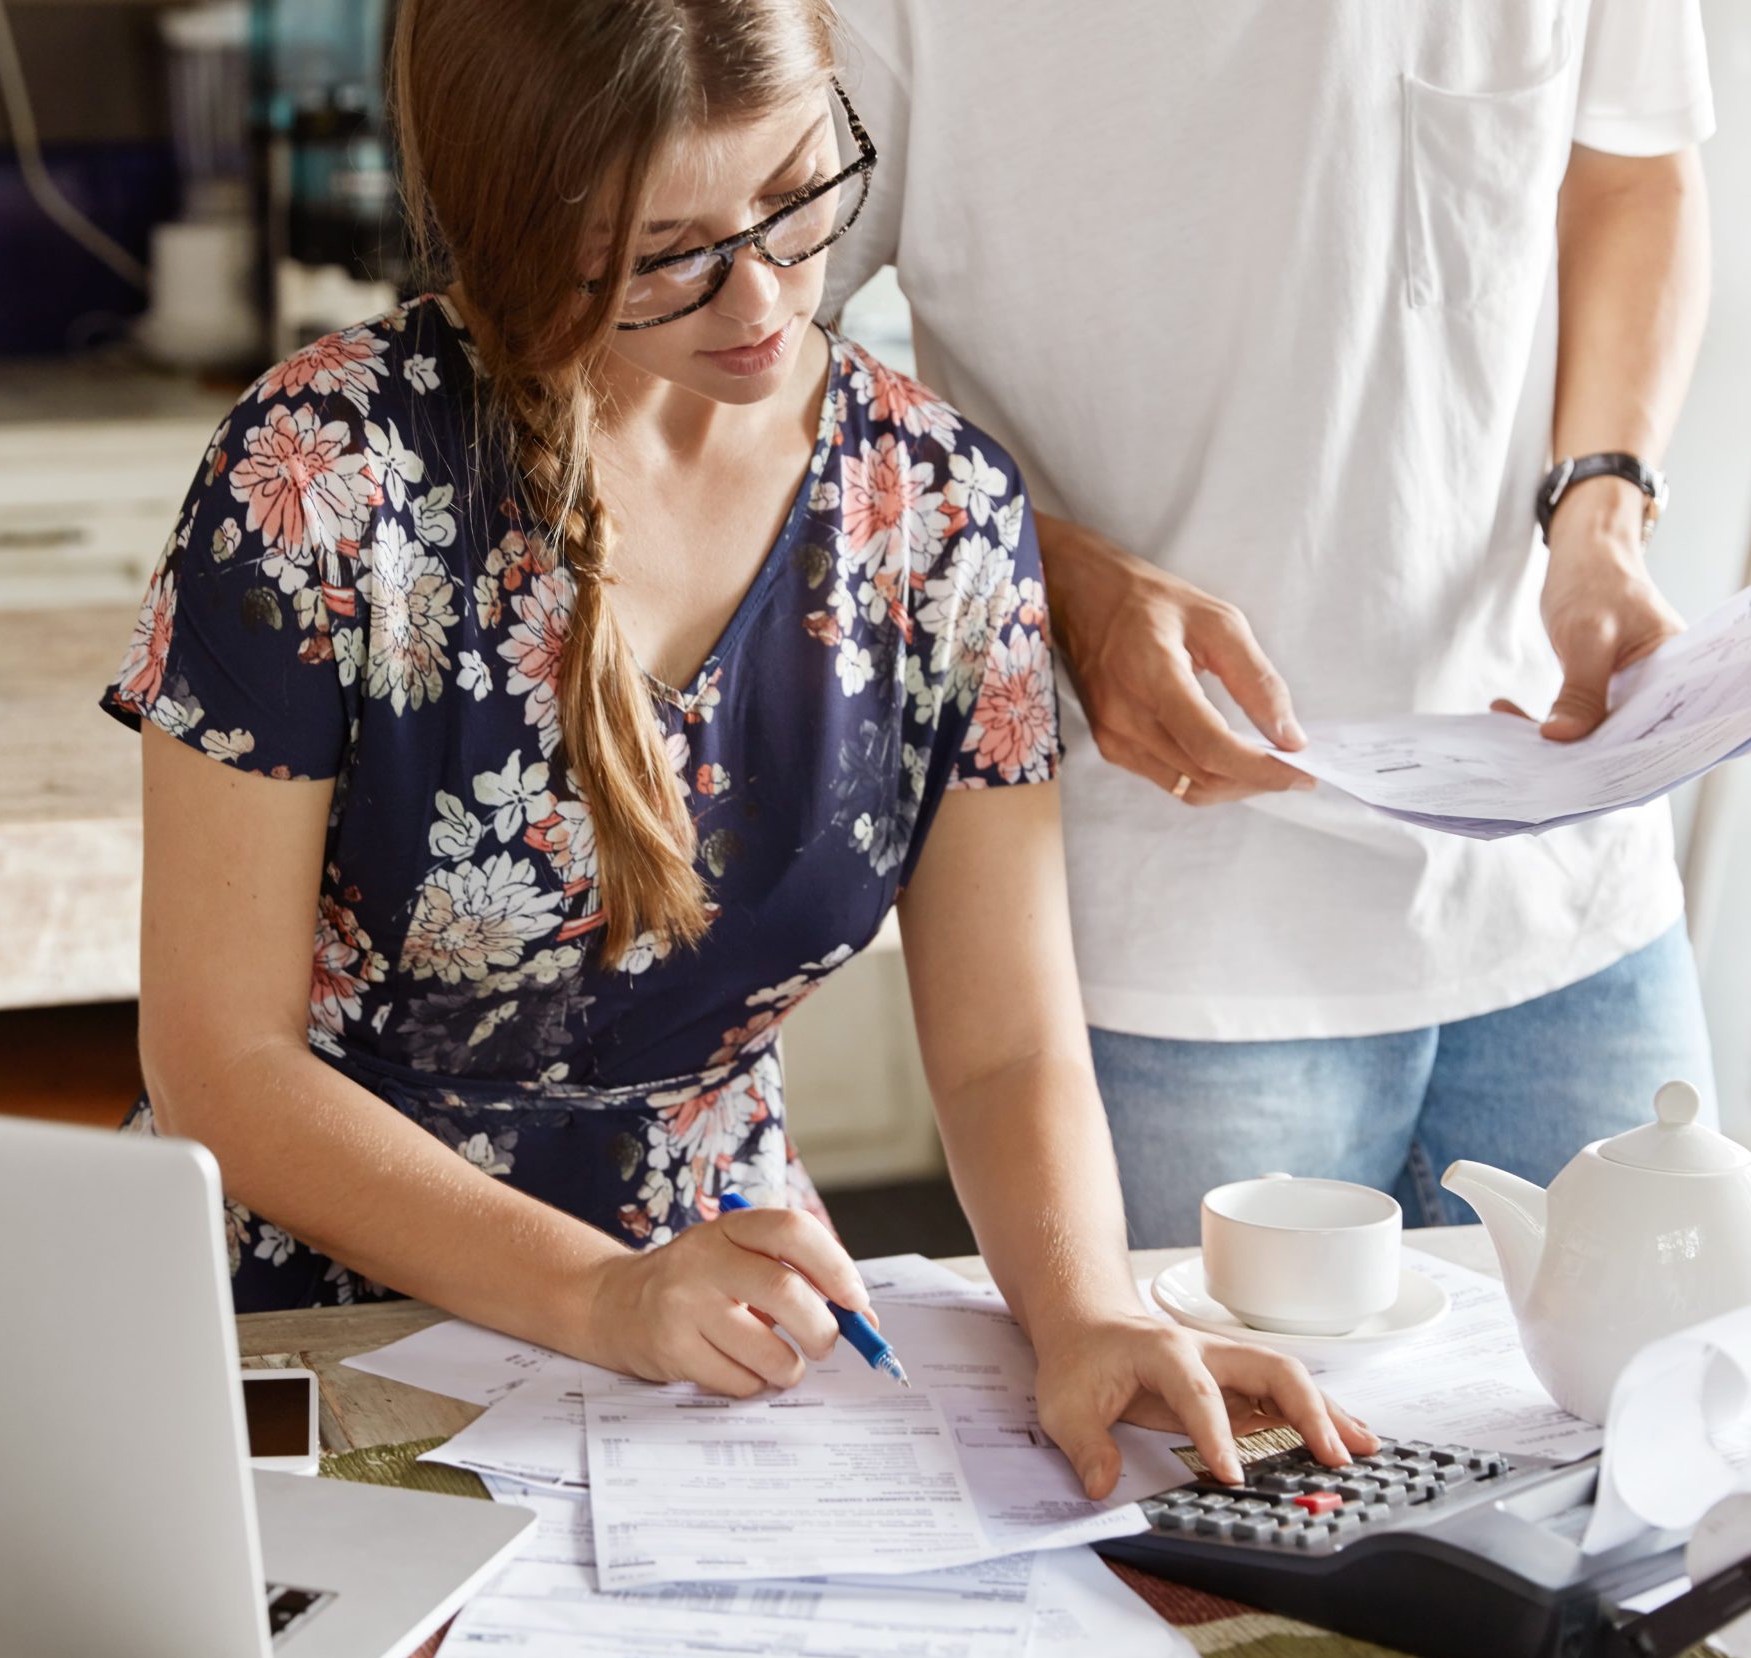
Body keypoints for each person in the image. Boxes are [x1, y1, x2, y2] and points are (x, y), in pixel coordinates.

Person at [106, 0, 1376, 1494]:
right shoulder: (319, 475)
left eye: (795, 199)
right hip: (309, 1328)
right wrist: (600, 1294)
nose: (765, 299)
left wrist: (1086, 1307)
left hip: (731, 1328)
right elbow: (217, 1061)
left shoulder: (943, 509)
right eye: (671, 253)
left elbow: (1006, 1043)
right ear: (522, 224)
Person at [820, 2, 1720, 1246]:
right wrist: (1054, 578)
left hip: (1567, 879)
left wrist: (1601, 505)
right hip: (1167, 924)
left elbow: (1631, 175)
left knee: (1665, 1413)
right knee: (1208, 1444)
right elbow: (741, 330)